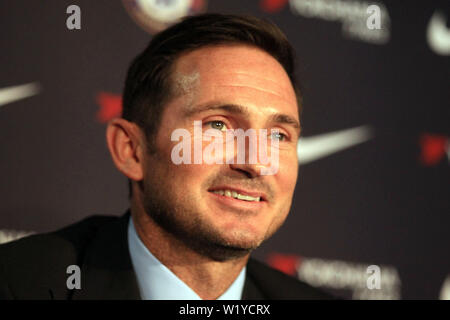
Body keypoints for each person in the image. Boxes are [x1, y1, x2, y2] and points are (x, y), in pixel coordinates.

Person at [0, 13, 333, 300]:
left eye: (278, 135)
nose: (257, 163)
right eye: (217, 125)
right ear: (131, 150)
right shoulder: (19, 285)